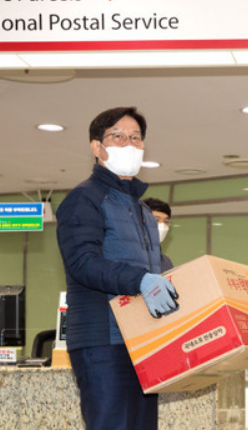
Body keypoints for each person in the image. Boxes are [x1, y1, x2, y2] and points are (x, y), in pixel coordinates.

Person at [56, 107, 179, 430]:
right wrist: (141, 280)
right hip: (103, 340)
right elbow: (83, 262)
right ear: (97, 147)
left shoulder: (142, 211)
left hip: (142, 340)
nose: (129, 143)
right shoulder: (84, 199)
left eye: (135, 138)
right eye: (118, 136)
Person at [143, 197, 174, 272]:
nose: (162, 225)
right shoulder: (125, 256)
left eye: (166, 221)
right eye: (156, 219)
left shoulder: (166, 262)